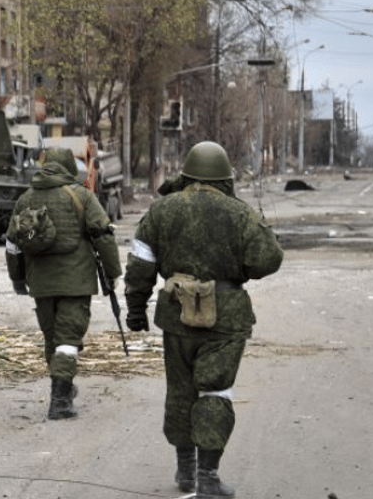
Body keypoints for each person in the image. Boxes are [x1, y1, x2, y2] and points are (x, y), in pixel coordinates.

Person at [124, 141, 283, 497]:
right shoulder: (240, 213)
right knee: (215, 390)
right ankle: (208, 477)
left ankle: (185, 470)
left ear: (188, 173)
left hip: (176, 315)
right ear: (225, 176)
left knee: (181, 390)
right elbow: (268, 260)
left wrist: (136, 309)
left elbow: (140, 264)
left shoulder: (162, 210)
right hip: (225, 318)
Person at [5, 146, 121, 420]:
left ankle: (63, 388)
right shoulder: (82, 196)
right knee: (68, 339)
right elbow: (103, 236)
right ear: (70, 167)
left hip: (41, 283)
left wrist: (18, 279)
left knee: (52, 338)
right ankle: (59, 402)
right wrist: (113, 273)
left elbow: (12, 244)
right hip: (76, 282)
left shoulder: (25, 199)